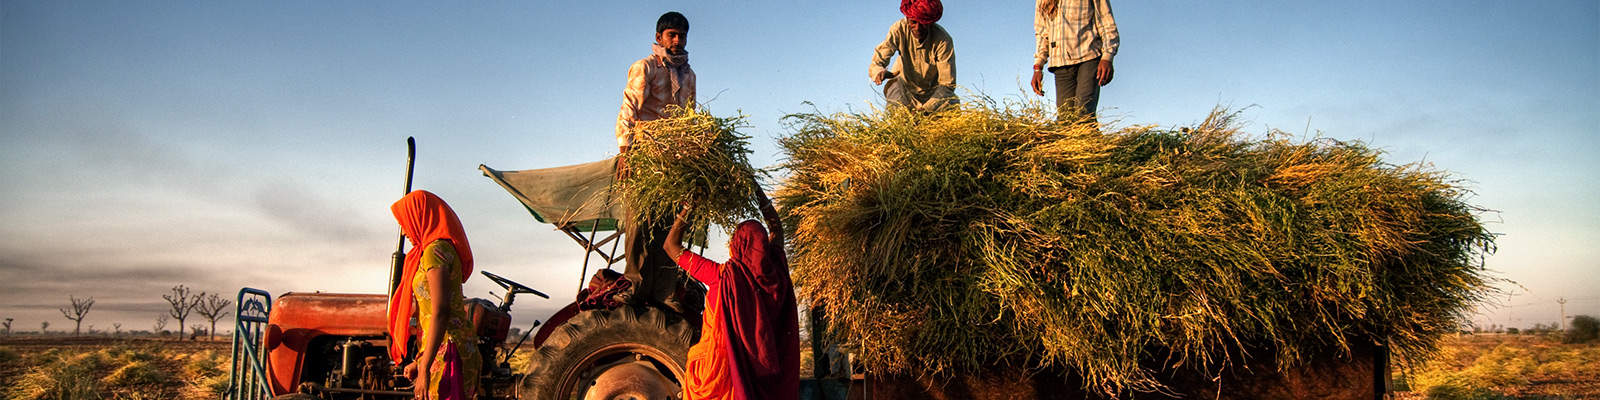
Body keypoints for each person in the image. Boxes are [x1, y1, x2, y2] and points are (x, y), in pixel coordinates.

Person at [664, 191, 799, 400]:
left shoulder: (722, 277)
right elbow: (777, 232)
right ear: (763, 245)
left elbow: (670, 246)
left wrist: (689, 206)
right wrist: (759, 195)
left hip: (720, 376)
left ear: (737, 245)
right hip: (767, 376)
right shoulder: (777, 275)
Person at [616, 11, 698, 307]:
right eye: (671, 35)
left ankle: (665, 292)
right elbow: (629, 108)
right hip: (643, 154)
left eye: (682, 36)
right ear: (658, 38)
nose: (677, 41)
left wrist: (691, 157)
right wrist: (626, 152)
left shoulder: (689, 75)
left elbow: (689, 119)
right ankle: (634, 287)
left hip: (673, 161)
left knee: (668, 226)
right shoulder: (646, 67)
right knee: (639, 222)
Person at [389, 190, 481, 400]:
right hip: (445, 348)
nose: (403, 232)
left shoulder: (434, 252)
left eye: (404, 223)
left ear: (419, 216)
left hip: (448, 352)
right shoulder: (440, 249)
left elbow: (440, 312)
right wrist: (420, 361)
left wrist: (424, 370)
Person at [1031, 0, 1119, 121]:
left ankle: (1090, 134)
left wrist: (1107, 57)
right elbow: (1042, 34)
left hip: (1089, 57)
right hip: (1060, 64)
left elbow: (1106, 22)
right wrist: (1038, 66)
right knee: (1065, 119)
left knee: (1083, 114)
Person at [869, 0, 957, 113]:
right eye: (913, 22)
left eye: (923, 23)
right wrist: (879, 71)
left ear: (930, 22)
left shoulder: (943, 40)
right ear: (907, 18)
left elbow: (947, 84)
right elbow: (879, 60)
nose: (917, 28)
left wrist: (926, 110)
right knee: (894, 89)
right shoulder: (898, 29)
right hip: (904, 89)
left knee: (951, 105)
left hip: (934, 95)